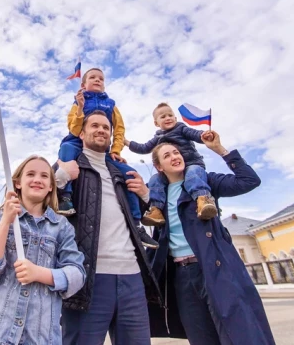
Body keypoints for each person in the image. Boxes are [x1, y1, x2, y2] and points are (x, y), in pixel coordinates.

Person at [146, 134, 276, 345]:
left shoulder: (204, 181)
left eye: (177, 153)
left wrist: (221, 150)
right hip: (181, 277)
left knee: (238, 334)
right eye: (167, 155)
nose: (174, 157)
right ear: (159, 166)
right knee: (201, 338)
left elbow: (249, 181)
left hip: (213, 269)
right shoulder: (156, 196)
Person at [55, 110, 162, 345]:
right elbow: (40, 201)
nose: (101, 130)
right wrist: (61, 175)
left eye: (106, 127)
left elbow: (147, 216)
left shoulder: (121, 172)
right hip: (86, 278)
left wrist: (145, 194)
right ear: (81, 133)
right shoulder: (68, 165)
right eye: (94, 126)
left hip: (132, 277)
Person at [0, 155, 86, 345]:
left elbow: (77, 275)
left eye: (45, 176)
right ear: (17, 183)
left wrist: (39, 273)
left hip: (41, 338)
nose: (37, 179)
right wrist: (6, 221)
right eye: (31, 174)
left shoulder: (62, 226)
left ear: (51, 186)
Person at [57, 67, 159, 248]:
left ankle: (136, 223)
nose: (97, 80)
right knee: (65, 151)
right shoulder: (78, 102)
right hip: (76, 142)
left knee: (130, 173)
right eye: (93, 78)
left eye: (101, 79)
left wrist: (116, 150)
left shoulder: (111, 105)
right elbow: (73, 129)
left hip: (103, 149)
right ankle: (65, 197)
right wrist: (80, 107)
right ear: (83, 84)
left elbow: (118, 129)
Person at [125, 102, 218, 224]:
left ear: (175, 118)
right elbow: (144, 148)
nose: (167, 118)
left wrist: (204, 135)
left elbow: (194, 134)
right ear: (156, 123)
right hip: (170, 172)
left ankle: (203, 200)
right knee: (154, 180)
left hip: (191, 164)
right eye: (163, 117)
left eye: (170, 115)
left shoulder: (181, 128)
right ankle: (156, 210)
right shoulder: (158, 137)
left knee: (193, 174)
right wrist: (127, 142)